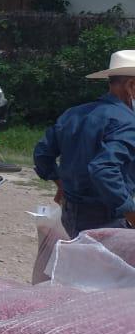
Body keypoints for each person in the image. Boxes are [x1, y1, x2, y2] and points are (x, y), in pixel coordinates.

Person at [33, 49, 135, 237]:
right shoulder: (128, 122)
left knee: (82, 265)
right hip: (107, 220)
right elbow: (104, 169)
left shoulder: (74, 113)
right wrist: (130, 211)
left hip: (71, 215)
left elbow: (42, 154)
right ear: (130, 85)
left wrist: (61, 184)